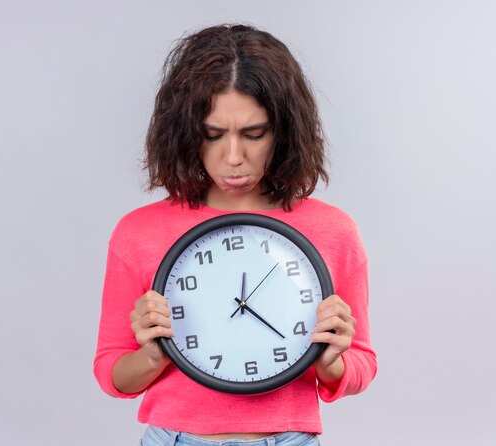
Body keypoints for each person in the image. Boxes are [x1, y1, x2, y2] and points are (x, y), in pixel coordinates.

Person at [94, 24, 377, 445]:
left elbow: (362, 365)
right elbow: (111, 372)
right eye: (212, 135)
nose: (233, 158)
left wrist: (331, 362)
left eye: (253, 133)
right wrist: (152, 355)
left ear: (283, 129)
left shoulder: (333, 231)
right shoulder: (140, 232)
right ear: (186, 132)